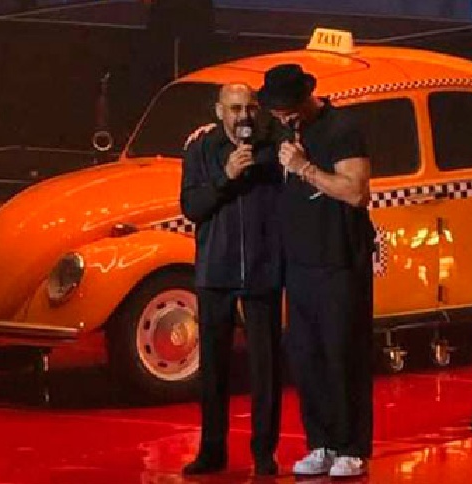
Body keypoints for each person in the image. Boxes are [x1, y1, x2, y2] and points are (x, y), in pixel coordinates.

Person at [258, 63, 375, 478]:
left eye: (286, 109)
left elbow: (356, 192)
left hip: (339, 261)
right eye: (276, 111)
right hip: (299, 262)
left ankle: (351, 447)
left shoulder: (342, 129)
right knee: (307, 357)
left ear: (304, 99)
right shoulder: (282, 130)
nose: (281, 117)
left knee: (342, 354)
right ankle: (321, 443)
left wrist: (304, 168)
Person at [180, 83, 283, 476]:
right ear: (219, 111)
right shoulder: (201, 149)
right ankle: (212, 450)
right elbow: (192, 207)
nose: (244, 116)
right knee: (214, 366)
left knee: (265, 366)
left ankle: (264, 451)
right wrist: (226, 175)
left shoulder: (272, 149)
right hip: (216, 269)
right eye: (236, 108)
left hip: (262, 268)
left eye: (251, 108)